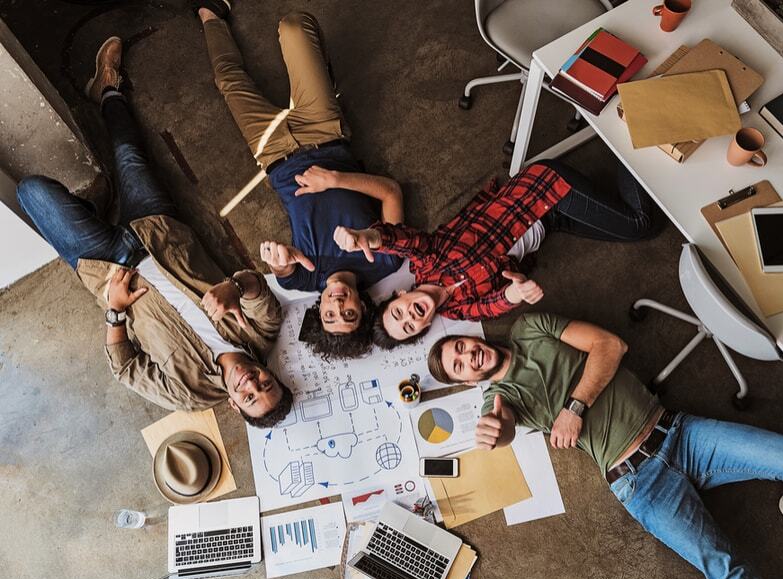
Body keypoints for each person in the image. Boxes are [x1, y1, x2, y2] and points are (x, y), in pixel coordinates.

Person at [426, 312, 783, 579]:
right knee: (730, 576)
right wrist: (496, 430)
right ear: (467, 382)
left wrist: (574, 409)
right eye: (459, 366)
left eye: (461, 347)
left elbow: (610, 346)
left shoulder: (528, 327)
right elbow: (499, 429)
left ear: (469, 338)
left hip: (681, 433)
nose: (467, 357)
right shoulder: (498, 398)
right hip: (640, 484)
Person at [16, 36, 291, 428]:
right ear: (272, 374)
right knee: (129, 151)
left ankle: (93, 209)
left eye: (249, 397)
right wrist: (235, 285)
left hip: (109, 267)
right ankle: (108, 87)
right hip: (160, 230)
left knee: (32, 192)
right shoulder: (262, 332)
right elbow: (257, 290)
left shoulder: (190, 394)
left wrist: (114, 310)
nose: (252, 383)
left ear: (234, 405)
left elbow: (126, 370)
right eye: (266, 384)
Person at [196, 1, 403, 359]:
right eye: (349, 314)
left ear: (318, 310)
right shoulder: (385, 262)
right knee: (293, 26)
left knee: (227, 80)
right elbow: (391, 191)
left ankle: (209, 15)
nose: (338, 304)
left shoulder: (303, 280)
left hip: (273, 153)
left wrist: (280, 258)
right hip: (324, 132)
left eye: (329, 315)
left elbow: (282, 267)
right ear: (366, 309)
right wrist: (335, 179)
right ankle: (324, 77)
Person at [333, 159, 660, 348]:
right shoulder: (460, 311)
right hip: (552, 222)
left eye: (399, 312)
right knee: (627, 227)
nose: (410, 316)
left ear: (401, 294)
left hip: (540, 194)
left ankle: (627, 132)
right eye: (409, 326)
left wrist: (369, 237)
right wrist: (516, 292)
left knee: (639, 225)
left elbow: (404, 240)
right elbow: (493, 305)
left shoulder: (428, 263)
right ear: (424, 328)